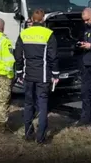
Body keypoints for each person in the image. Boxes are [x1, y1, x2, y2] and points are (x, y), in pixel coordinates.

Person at [14, 9, 59, 144]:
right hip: (43, 76)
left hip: (28, 75)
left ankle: (28, 134)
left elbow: (18, 55)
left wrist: (20, 72)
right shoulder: (49, 34)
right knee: (43, 104)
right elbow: (53, 57)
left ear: (32, 20)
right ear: (43, 19)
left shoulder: (24, 34)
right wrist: (55, 74)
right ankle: (40, 138)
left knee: (28, 103)